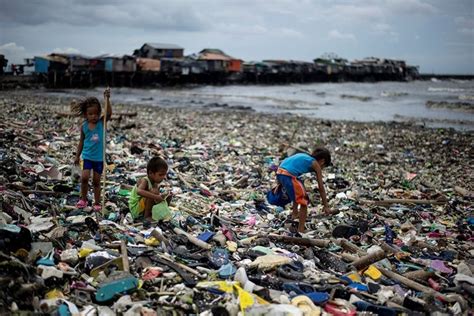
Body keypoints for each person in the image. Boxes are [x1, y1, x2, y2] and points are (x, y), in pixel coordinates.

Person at [270, 147, 332, 233]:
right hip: (288, 175)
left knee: (299, 189)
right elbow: (321, 187)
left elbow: (287, 164)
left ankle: (295, 213)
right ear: (322, 161)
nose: (322, 168)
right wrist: (326, 206)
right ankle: (301, 230)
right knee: (304, 201)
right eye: (323, 166)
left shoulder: (304, 156)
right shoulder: (315, 164)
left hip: (280, 172)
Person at [72, 88, 112, 211]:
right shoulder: (84, 126)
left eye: (96, 113)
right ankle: (83, 199)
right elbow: (81, 142)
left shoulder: (102, 123)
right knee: (84, 178)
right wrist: (77, 156)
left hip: (99, 158)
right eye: (90, 114)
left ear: (99, 113)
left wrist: (107, 99)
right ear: (85, 114)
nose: (94, 116)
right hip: (87, 156)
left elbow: (109, 113)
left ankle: (97, 202)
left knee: (96, 181)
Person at [128, 156, 171, 221]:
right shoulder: (144, 180)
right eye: (160, 175)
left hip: (143, 207)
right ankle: (146, 217)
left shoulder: (155, 183)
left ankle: (162, 213)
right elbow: (139, 191)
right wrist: (157, 197)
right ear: (151, 173)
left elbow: (156, 197)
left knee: (168, 195)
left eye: (164, 175)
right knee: (153, 193)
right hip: (136, 209)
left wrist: (163, 196)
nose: (163, 177)